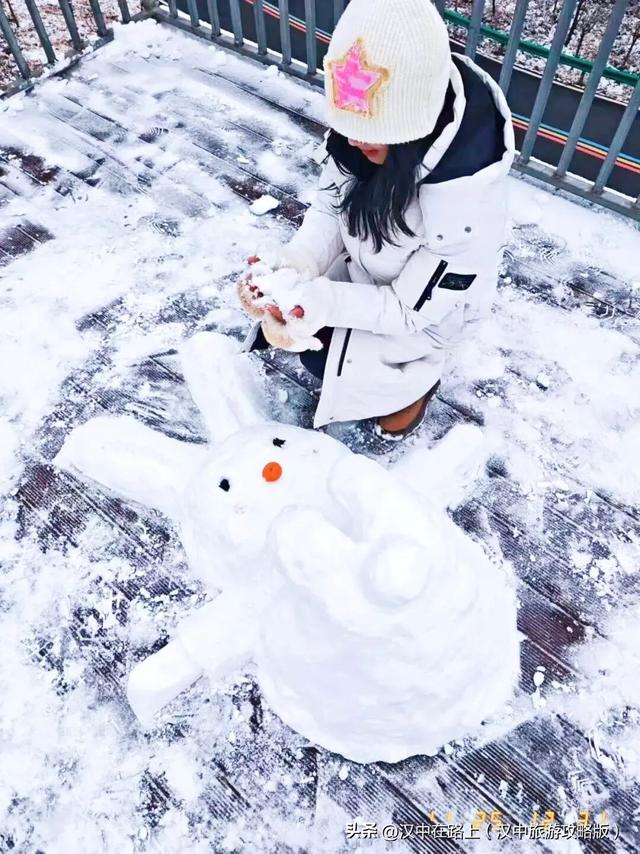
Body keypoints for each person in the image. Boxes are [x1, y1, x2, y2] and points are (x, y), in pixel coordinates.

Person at [240, 0, 514, 439]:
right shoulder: (362, 135)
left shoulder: (466, 205)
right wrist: (298, 264)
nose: (351, 138)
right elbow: (330, 208)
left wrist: (323, 301)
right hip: (366, 273)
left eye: (372, 130)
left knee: (336, 367)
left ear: (415, 127)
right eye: (346, 123)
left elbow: (409, 311)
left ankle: (416, 387)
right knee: (314, 349)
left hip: (427, 316)